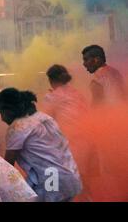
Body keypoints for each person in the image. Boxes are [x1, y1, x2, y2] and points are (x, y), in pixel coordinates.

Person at [0, 88, 82, 202]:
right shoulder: (44, 117)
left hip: (51, 180)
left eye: (1, 112)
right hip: (70, 176)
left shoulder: (17, 127)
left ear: (9, 110)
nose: (2, 118)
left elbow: (7, 166)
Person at [43, 65, 97, 201]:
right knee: (83, 184)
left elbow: (44, 122)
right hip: (87, 143)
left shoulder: (53, 96)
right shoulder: (77, 93)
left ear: (50, 80)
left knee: (61, 185)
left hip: (69, 145)